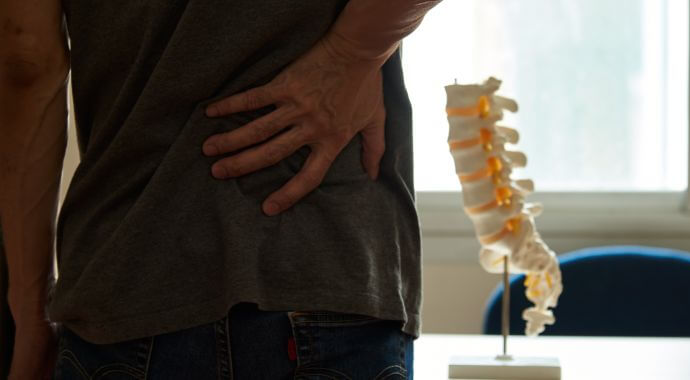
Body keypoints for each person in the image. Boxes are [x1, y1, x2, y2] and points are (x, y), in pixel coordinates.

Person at [0, 0, 441, 378]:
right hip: (324, 260)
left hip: (127, 279)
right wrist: (356, 48)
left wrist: (29, 308)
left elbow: (27, 59)